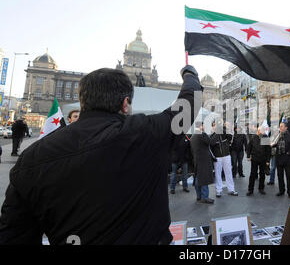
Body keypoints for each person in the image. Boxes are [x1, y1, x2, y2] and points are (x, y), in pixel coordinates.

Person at [0, 66, 202, 244]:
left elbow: (13, 235)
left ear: (83, 102)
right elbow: (190, 102)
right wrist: (189, 73)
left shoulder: (31, 159)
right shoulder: (144, 133)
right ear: (125, 104)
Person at [210, 120, 238, 197]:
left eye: (217, 125)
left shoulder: (224, 132)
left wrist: (224, 129)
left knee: (229, 173)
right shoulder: (211, 135)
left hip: (226, 155)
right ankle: (218, 190)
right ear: (212, 126)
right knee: (218, 174)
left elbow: (230, 137)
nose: (216, 126)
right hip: (217, 157)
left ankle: (231, 189)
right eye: (214, 125)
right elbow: (211, 144)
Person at [190, 122, 215, 204]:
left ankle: (199, 196)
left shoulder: (193, 135)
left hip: (197, 160)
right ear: (200, 126)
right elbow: (211, 142)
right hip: (204, 160)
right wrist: (217, 133)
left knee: (198, 178)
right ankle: (205, 197)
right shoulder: (202, 134)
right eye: (203, 125)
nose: (204, 126)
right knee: (204, 178)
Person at [271, 122, 290, 199]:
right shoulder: (278, 136)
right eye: (280, 126)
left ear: (286, 128)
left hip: (287, 159)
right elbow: (277, 144)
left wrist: (289, 152)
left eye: (282, 126)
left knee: (288, 176)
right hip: (278, 158)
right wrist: (273, 145)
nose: (280, 128)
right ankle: (281, 190)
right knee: (280, 175)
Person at [246, 127, 271, 196]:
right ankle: (250, 190)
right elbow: (249, 147)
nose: (262, 132)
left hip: (263, 159)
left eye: (263, 130)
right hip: (254, 159)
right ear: (258, 131)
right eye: (261, 131)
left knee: (262, 174)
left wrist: (268, 161)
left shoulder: (265, 137)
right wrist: (248, 156)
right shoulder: (253, 137)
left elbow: (268, 150)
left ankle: (261, 188)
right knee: (253, 174)